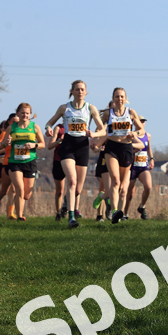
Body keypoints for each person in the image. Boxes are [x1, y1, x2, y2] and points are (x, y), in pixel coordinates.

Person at [44, 80, 106, 228]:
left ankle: (67, 202)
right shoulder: (64, 108)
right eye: (77, 89)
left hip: (83, 147)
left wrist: (95, 133)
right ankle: (71, 217)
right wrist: (48, 129)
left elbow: (103, 130)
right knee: (71, 181)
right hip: (67, 146)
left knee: (78, 189)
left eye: (82, 89)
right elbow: (49, 122)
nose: (80, 92)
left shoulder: (91, 108)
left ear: (86, 92)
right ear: (71, 91)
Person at [99, 88, 144, 224]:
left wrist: (135, 133)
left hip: (126, 148)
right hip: (112, 148)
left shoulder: (131, 112)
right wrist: (97, 142)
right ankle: (114, 211)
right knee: (116, 181)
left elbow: (141, 129)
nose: (119, 99)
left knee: (122, 187)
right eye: (117, 96)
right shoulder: (108, 114)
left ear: (126, 98)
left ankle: (102, 197)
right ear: (113, 98)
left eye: (122, 96)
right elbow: (101, 129)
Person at [1, 103, 45, 222]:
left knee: (26, 195)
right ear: (18, 113)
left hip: (30, 162)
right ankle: (20, 216)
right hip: (15, 162)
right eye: (22, 113)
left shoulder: (34, 127)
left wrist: (34, 144)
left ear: (30, 114)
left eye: (27, 113)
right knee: (19, 188)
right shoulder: (11, 127)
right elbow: (3, 144)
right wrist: (7, 142)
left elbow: (42, 144)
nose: (25, 115)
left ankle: (17, 207)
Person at [124, 116, 154, 220]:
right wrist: (133, 151)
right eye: (139, 121)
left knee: (148, 187)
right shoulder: (130, 135)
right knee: (130, 193)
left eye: (143, 121)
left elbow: (149, 148)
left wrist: (152, 159)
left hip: (143, 166)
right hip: (132, 166)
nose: (141, 123)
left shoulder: (148, 135)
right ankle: (125, 214)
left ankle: (142, 207)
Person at [47, 122, 67, 222]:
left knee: (76, 188)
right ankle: (58, 213)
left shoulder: (77, 126)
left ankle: (67, 204)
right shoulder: (59, 128)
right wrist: (59, 141)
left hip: (73, 161)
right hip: (58, 161)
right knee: (60, 191)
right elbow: (49, 146)